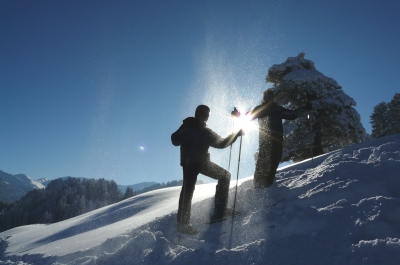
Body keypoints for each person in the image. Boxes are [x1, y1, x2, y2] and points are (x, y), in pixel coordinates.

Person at [171, 105, 243, 234]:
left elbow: (222, 143)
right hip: (190, 163)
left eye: (207, 113)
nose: (205, 115)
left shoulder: (206, 132)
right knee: (188, 189)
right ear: (197, 113)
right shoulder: (188, 124)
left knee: (225, 175)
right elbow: (174, 139)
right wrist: (184, 135)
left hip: (204, 163)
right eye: (203, 113)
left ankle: (221, 211)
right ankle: (183, 223)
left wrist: (236, 134)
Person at [232, 89, 312, 189]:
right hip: (267, 141)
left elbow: (292, 114)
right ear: (265, 98)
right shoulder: (266, 109)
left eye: (270, 96)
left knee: (273, 160)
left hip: (275, 141)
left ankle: (264, 185)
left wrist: (305, 109)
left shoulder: (276, 109)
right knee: (265, 160)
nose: (268, 98)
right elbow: (247, 116)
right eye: (267, 96)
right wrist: (238, 115)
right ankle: (260, 185)